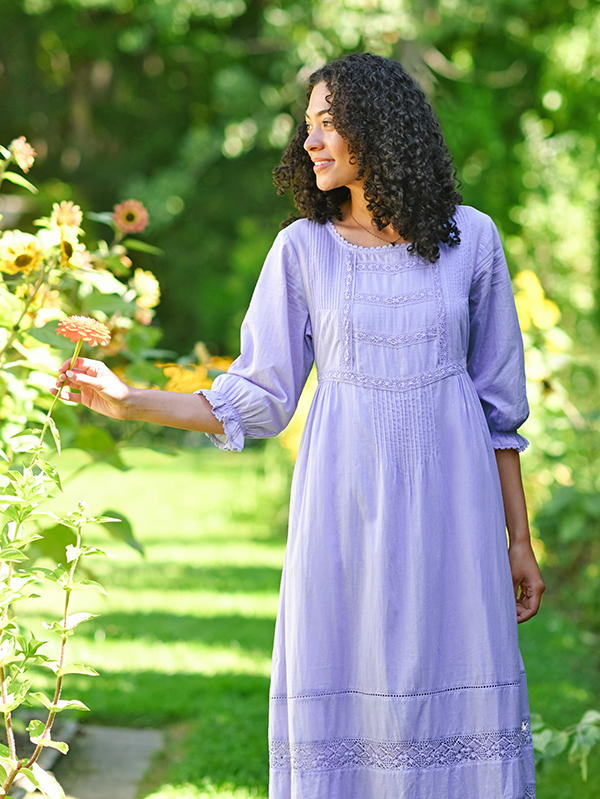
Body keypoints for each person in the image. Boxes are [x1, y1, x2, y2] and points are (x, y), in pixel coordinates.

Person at [55, 52, 544, 799]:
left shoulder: (470, 241)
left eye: (328, 123)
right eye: (307, 126)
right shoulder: (304, 251)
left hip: (455, 516)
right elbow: (255, 395)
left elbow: (498, 408)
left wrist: (520, 540)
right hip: (342, 519)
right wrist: (128, 401)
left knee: (462, 707)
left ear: (378, 129)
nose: (310, 141)